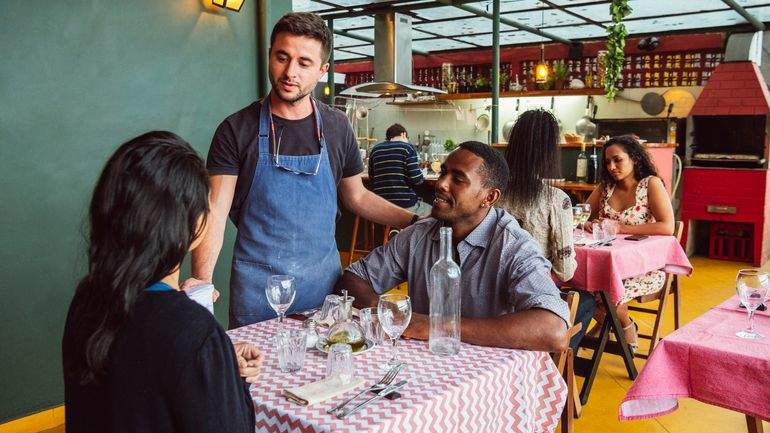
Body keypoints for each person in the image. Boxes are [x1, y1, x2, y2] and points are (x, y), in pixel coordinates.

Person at [187, 12, 416, 328]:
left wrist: (414, 220)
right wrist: (201, 282)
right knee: (257, 375)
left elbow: (358, 197)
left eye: (304, 63)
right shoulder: (236, 129)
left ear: (322, 71)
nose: (290, 72)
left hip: (324, 287)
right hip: (259, 291)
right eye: (282, 57)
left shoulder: (337, 126)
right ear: (270, 55)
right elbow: (215, 211)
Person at [62, 132, 262, 433]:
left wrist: (215, 370)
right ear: (191, 225)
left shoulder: (87, 299)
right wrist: (227, 380)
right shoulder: (194, 330)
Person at [340, 141, 569, 352]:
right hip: (424, 366)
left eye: (458, 179)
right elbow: (354, 278)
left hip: (490, 380)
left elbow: (554, 331)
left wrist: (438, 327)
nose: (441, 184)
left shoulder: (514, 245)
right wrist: (384, 312)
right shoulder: (420, 233)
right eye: (443, 172)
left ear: (489, 197)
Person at [502, 109, 594, 350]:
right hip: (529, 307)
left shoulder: (492, 192)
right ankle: (551, 362)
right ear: (548, 153)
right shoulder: (556, 200)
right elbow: (564, 272)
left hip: (488, 299)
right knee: (588, 301)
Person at [584, 135, 675, 351]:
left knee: (607, 294)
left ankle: (622, 327)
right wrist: (587, 224)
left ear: (634, 158)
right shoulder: (606, 187)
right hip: (607, 265)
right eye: (607, 162)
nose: (612, 167)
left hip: (644, 268)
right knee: (574, 290)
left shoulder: (650, 185)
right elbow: (584, 215)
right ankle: (617, 323)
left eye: (618, 160)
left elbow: (667, 227)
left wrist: (621, 227)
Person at [369, 123, 431, 216]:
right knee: (434, 212)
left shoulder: (375, 149)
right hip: (404, 205)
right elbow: (417, 180)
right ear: (403, 134)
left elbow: (371, 177)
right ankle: (404, 230)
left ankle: (394, 230)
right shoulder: (407, 147)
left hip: (379, 205)